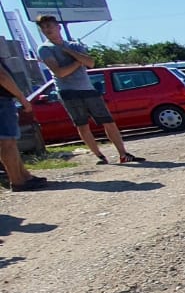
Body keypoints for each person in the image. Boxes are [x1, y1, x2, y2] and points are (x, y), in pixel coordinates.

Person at [34, 14, 143, 164]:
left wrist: (72, 53)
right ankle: (99, 156)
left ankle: (123, 154)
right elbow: (60, 72)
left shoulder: (74, 45)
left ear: (58, 27)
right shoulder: (44, 49)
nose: (47, 29)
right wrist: (79, 62)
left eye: (49, 26)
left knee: (108, 121)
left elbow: (91, 63)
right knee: (82, 125)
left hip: (87, 88)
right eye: (43, 27)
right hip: (68, 91)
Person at [0, 63, 46, 190]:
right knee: (7, 142)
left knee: (10, 142)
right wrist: (22, 98)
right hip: (2, 101)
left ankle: (24, 175)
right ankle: (17, 180)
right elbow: (2, 77)